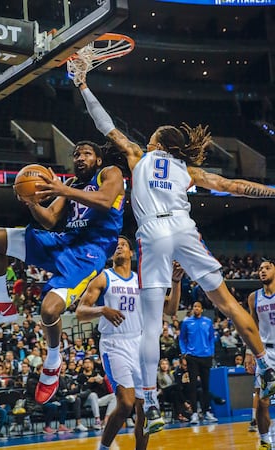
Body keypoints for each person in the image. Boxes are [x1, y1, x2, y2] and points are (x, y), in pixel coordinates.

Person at [73, 69, 275, 433]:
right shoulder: (187, 169)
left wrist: (83, 85)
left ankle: (149, 400)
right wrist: (272, 191)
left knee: (151, 325)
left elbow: (105, 125)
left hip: (153, 232)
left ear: (157, 144)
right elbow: (232, 186)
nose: (147, 141)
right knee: (227, 302)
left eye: (151, 139)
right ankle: (265, 365)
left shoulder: (138, 156)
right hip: (184, 228)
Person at [0, 140, 125, 405]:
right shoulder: (71, 186)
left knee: (49, 311)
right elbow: (51, 220)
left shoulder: (109, 173)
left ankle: (53, 361)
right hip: (63, 242)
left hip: (88, 254)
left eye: (86, 153)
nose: (80, 157)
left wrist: (62, 189)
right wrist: (31, 203)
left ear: (98, 160)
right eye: (76, 154)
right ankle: (2, 303)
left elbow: (105, 201)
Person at [76, 235, 184, 447]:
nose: (119, 247)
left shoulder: (141, 281)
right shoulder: (103, 278)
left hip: (139, 343)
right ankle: (104, 446)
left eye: (123, 245)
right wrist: (102, 310)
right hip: (114, 344)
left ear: (131, 253)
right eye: (115, 245)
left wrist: (176, 281)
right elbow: (80, 311)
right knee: (125, 403)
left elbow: (170, 309)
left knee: (144, 407)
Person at [245, 259, 275, 450]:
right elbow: (251, 327)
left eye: (267, 268)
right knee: (263, 401)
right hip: (265, 352)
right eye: (260, 269)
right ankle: (265, 440)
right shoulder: (253, 297)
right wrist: (249, 352)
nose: (262, 271)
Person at [179, 301, 218, 424]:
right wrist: (184, 352)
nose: (196, 308)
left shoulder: (208, 321)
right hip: (192, 357)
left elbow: (211, 338)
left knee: (206, 386)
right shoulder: (186, 322)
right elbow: (182, 338)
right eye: (194, 306)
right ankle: (194, 413)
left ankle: (206, 411)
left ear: (201, 309)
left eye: (198, 307)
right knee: (193, 386)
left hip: (206, 356)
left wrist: (211, 351)